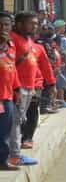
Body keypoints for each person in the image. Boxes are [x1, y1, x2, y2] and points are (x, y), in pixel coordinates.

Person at [8, 12, 53, 167]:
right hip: (16, 88)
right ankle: (14, 155)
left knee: (19, 120)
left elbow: (45, 66)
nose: (35, 26)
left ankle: (13, 152)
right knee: (15, 122)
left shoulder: (32, 43)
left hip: (29, 88)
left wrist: (51, 83)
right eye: (31, 23)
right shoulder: (12, 39)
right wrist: (15, 87)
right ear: (19, 24)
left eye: (36, 23)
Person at [0, 12, 20, 171]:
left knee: (5, 131)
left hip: (7, 96)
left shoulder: (11, 46)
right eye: (0, 25)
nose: (3, 28)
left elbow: (12, 69)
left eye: (6, 25)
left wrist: (17, 88)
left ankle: (3, 160)